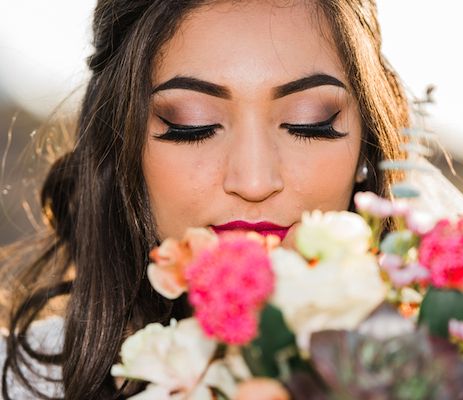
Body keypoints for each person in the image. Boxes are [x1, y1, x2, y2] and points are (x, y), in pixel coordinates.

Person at [0, 0, 408, 398]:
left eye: (309, 122)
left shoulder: (445, 366)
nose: (253, 181)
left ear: (367, 148)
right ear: (121, 146)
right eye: (192, 125)